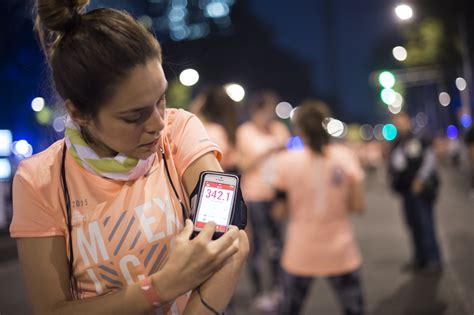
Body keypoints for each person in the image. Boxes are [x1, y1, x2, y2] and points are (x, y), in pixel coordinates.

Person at [9, 1, 249, 314]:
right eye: (134, 116)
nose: (158, 123)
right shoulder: (40, 180)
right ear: (79, 112)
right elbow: (52, 310)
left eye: (160, 99)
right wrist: (162, 286)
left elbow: (231, 243)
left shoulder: (179, 130)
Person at [264, 102, 366, 315]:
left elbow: (279, 211)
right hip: (341, 249)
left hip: (300, 250)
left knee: (289, 309)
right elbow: (357, 206)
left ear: (298, 129)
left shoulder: (285, 162)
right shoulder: (345, 157)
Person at [235, 91, 290, 308]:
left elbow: (287, 162)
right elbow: (242, 166)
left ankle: (278, 289)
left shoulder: (279, 129)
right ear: (255, 111)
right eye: (265, 111)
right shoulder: (244, 133)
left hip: (275, 194)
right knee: (256, 246)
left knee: (277, 244)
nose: (269, 116)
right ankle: (259, 291)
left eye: (272, 110)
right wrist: (267, 151)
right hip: (255, 195)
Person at [388, 112, 442, 272]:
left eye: (401, 121)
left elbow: (430, 160)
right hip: (406, 191)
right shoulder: (397, 142)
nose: (399, 125)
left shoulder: (419, 138)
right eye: (396, 122)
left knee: (426, 224)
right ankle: (420, 258)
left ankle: (433, 259)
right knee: (412, 225)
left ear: (408, 121)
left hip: (421, 190)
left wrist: (420, 179)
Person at [190, 85, 239, 172]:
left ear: (203, 105)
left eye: (198, 99)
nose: (194, 102)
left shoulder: (207, 131)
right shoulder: (220, 131)